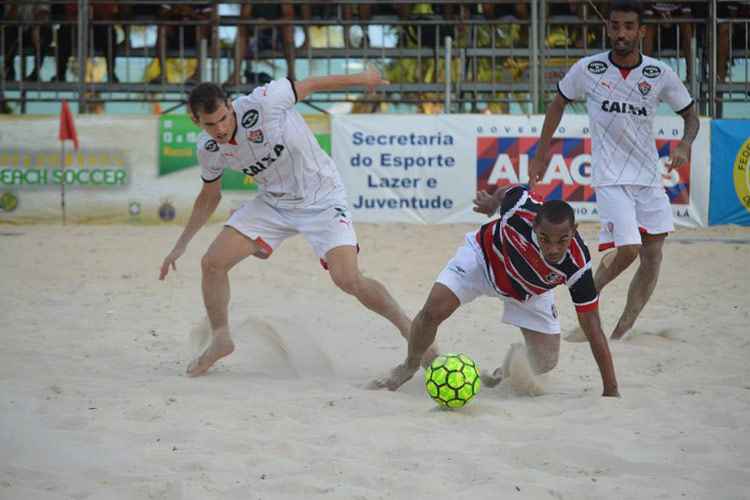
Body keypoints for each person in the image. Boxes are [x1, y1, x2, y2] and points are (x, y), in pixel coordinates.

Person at [159, 67, 429, 376]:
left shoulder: (265, 102)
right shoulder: (208, 149)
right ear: (196, 121)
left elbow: (312, 82)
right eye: (210, 124)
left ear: (230, 106)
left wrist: (362, 79)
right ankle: (221, 337)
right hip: (274, 203)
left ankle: (412, 332)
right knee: (212, 263)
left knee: (348, 279)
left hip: (322, 195)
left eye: (223, 118)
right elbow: (209, 196)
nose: (220, 129)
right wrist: (180, 246)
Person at [528, 0, 699, 340]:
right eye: (616, 26)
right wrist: (542, 149)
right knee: (629, 249)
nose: (621, 33)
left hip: (649, 178)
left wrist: (684, 144)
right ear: (608, 28)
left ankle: (621, 330)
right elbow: (559, 101)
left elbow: (691, 115)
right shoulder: (587, 69)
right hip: (610, 178)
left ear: (641, 32)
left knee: (652, 256)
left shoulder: (658, 73)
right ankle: (588, 293)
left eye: (628, 27)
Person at [371, 184, 620, 397]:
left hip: (530, 291)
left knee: (546, 361)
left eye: (562, 240)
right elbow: (508, 191)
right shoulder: (519, 207)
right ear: (534, 227)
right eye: (545, 239)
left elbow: (593, 325)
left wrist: (611, 389)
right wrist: (492, 203)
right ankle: (409, 365)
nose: (553, 249)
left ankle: (505, 371)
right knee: (433, 310)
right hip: (483, 259)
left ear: (574, 231)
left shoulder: (578, 266)